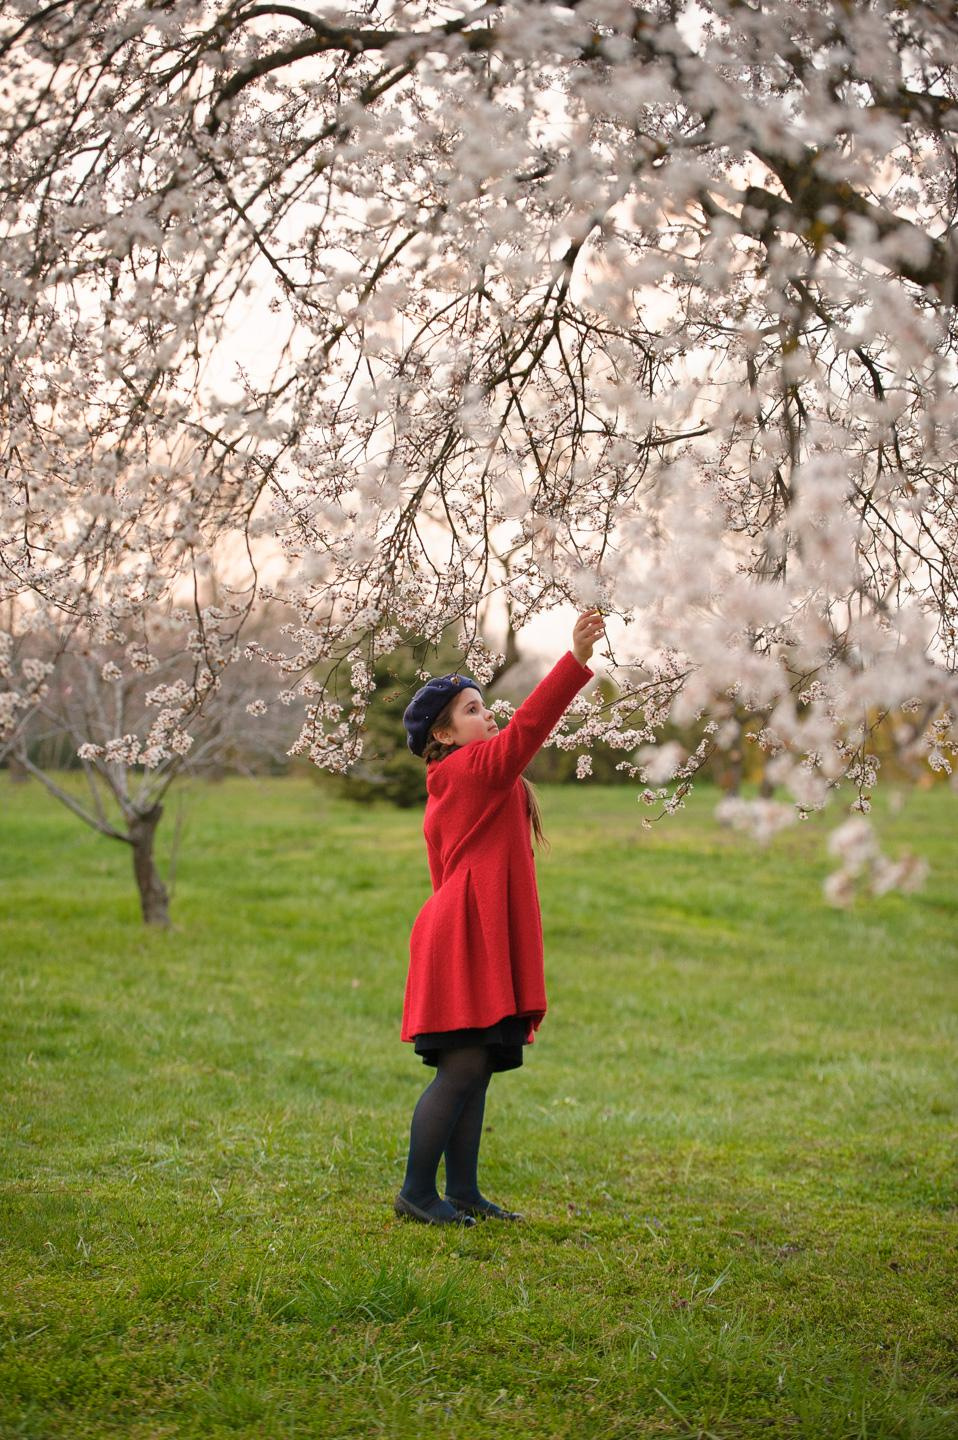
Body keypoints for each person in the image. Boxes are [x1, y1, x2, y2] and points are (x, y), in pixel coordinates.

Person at [394, 609, 605, 1226]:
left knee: (478, 1066)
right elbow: (528, 731)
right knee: (460, 1068)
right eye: (470, 711)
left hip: (464, 930)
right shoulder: (469, 770)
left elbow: (443, 871)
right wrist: (575, 661)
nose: (487, 715)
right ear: (444, 737)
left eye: (485, 706)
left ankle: (461, 1191)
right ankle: (415, 1192)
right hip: (461, 937)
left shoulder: (469, 778)